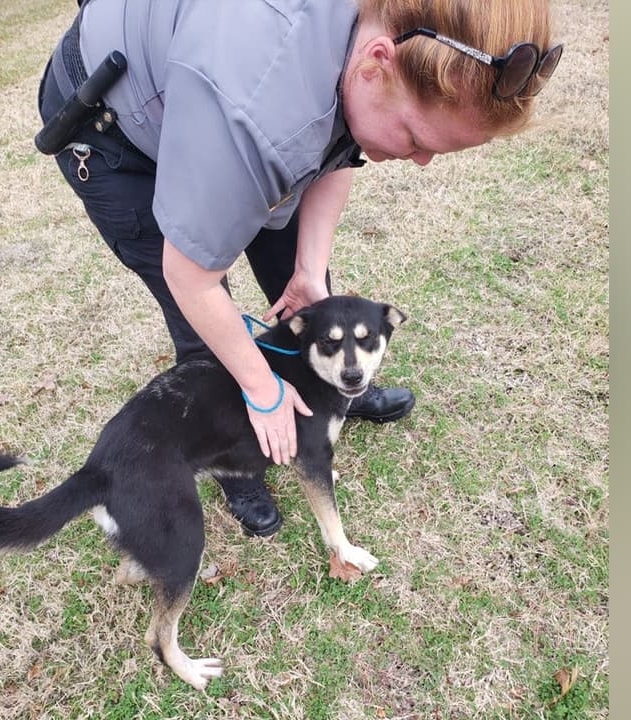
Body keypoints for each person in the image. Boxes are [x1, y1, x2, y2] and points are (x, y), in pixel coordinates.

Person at [37, 0, 560, 537]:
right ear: (376, 62)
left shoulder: (375, 40)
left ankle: (328, 391)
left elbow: (343, 141)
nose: (422, 160)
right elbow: (191, 276)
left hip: (226, 93)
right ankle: (232, 455)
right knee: (205, 330)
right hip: (112, 129)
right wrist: (262, 389)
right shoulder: (261, 110)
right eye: (416, 139)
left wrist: (310, 267)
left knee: (302, 286)